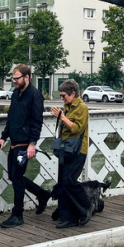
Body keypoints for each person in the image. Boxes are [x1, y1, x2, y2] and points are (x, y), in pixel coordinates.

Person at [0, 64, 51, 228]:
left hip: (24, 145)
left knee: (17, 178)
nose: (14, 81)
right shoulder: (15, 94)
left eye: (17, 78)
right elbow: (11, 117)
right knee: (13, 176)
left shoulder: (35, 96)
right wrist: (3, 136)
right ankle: (42, 194)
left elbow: (37, 123)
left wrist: (32, 144)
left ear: (27, 77)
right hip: (13, 143)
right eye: (13, 78)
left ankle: (17, 214)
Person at [49, 79, 94, 229]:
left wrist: (62, 118)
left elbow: (76, 129)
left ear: (73, 93)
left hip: (77, 150)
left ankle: (86, 205)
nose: (62, 98)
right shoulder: (67, 107)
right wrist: (61, 117)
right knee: (63, 182)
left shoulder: (82, 108)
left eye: (64, 96)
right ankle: (66, 215)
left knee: (68, 180)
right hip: (66, 149)